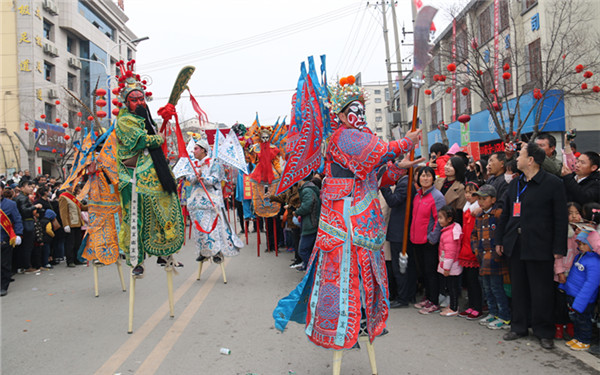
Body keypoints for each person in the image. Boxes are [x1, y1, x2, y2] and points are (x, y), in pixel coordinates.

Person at [273, 76, 422, 350]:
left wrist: (400, 166)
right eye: (352, 110)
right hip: (344, 221)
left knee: (362, 275)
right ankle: (341, 328)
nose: (359, 114)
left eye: (361, 109)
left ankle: (361, 321)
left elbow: (375, 175)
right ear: (340, 115)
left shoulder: (361, 138)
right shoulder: (344, 137)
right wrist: (405, 143)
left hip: (359, 219)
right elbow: (377, 153)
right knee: (342, 276)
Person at [115, 60, 184, 276]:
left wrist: (165, 117)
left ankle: (166, 251)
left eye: (141, 98)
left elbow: (153, 136)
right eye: (133, 100)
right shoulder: (125, 121)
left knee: (165, 206)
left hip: (151, 173)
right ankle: (136, 259)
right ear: (126, 103)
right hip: (133, 177)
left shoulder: (146, 119)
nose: (139, 102)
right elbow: (141, 141)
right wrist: (157, 137)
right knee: (135, 216)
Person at [496, 142, 568, 349]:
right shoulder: (516, 184)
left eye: (520, 156)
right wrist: (500, 240)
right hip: (516, 244)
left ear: (531, 160)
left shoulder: (553, 184)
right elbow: (506, 214)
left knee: (541, 291)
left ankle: (543, 331)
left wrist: (558, 250)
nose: (516, 159)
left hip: (540, 245)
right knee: (518, 289)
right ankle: (518, 326)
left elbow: (560, 219)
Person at [187, 135, 243, 264]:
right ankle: (203, 252)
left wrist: (204, 179)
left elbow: (215, 179)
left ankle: (217, 252)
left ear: (203, 150)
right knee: (199, 229)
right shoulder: (193, 164)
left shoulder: (214, 163)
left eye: (196, 149)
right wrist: (196, 177)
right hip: (196, 202)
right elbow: (189, 179)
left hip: (211, 200)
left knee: (214, 227)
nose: (193, 151)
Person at [471, 185, 510, 330]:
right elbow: (474, 235)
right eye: (479, 198)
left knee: (497, 288)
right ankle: (493, 312)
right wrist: (476, 250)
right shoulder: (480, 216)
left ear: (493, 200)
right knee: (487, 288)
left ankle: (504, 316)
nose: (481, 202)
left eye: (484, 198)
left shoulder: (498, 214)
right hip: (483, 258)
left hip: (496, 258)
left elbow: (504, 233)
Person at [411, 167, 446, 314]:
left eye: (428, 176)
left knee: (431, 271)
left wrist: (432, 238)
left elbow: (439, 220)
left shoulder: (437, 196)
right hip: (416, 239)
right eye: (422, 176)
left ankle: (434, 301)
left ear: (433, 178)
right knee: (424, 271)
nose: (425, 178)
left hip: (429, 241)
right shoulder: (418, 195)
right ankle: (428, 297)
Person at [561, 230, 600, 351]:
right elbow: (573, 275)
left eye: (584, 244)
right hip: (573, 295)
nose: (580, 247)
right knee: (576, 320)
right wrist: (564, 287)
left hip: (584, 299)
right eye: (579, 244)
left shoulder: (594, 262)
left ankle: (584, 340)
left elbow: (591, 284)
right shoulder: (579, 257)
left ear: (592, 244)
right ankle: (577, 338)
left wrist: (581, 300)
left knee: (584, 320)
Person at [381, 172, 414, 308]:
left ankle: (403, 297)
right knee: (400, 266)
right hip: (398, 231)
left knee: (400, 267)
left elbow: (393, 201)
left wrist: (384, 186)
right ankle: (404, 295)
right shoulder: (404, 182)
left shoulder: (405, 183)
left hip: (399, 232)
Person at [553, 202, 586, 340]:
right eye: (570, 214)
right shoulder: (562, 231)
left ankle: (571, 326)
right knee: (560, 302)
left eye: (577, 213)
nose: (574, 217)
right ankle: (559, 326)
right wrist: (559, 272)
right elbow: (558, 255)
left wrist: (583, 235)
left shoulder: (586, 232)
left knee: (574, 303)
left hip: (578, 274)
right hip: (563, 274)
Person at [457, 182, 482, 320]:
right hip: (465, 247)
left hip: (473, 249)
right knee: (470, 281)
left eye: (472, 193)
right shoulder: (466, 209)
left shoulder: (478, 210)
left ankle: (477, 306)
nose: (468, 195)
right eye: (466, 192)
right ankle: (471, 306)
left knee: (475, 282)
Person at [436, 206, 462, 317]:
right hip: (451, 265)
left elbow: (450, 253)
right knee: (452, 287)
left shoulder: (449, 234)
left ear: (449, 219)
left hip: (451, 266)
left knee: (452, 288)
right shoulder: (450, 230)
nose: (439, 220)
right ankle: (452, 305)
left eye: (441, 218)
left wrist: (446, 268)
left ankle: (454, 308)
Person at [292, 175, 320, 271]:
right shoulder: (308, 188)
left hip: (310, 224)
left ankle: (310, 270)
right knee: (308, 249)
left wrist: (297, 212)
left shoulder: (307, 190)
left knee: (303, 250)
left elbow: (307, 206)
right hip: (311, 223)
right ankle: (309, 269)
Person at [14, 180, 43, 273]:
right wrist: (35, 207)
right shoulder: (22, 198)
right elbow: (24, 211)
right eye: (29, 186)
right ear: (22, 188)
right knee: (27, 246)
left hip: (26, 223)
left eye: (32, 187)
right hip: (26, 223)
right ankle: (26, 266)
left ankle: (26, 265)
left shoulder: (23, 197)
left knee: (27, 246)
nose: (31, 188)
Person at [1, 183, 23, 296]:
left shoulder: (10, 204)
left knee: (4, 264)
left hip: (4, 238)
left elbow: (17, 219)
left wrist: (18, 234)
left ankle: (3, 286)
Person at [58, 184, 86, 268]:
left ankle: (76, 259)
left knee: (77, 243)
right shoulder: (64, 197)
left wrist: (93, 206)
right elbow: (63, 212)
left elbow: (82, 207)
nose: (73, 187)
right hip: (70, 223)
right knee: (70, 243)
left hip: (77, 222)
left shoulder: (74, 197)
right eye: (71, 186)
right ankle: (70, 261)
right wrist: (65, 225)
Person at [434, 156, 466, 223]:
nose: (447, 167)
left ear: (457, 169)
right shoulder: (438, 181)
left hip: (448, 223)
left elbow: (459, 213)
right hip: (434, 219)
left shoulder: (460, 188)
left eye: (451, 166)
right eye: (447, 164)